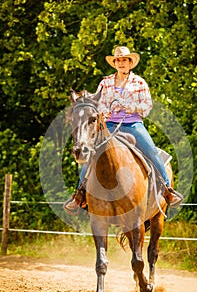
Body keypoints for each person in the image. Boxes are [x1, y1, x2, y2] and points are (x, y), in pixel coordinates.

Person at [64, 46, 183, 214]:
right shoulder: (105, 83)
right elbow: (98, 103)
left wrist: (128, 107)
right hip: (109, 125)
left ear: (130, 63)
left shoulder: (139, 82)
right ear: (114, 63)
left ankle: (167, 189)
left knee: (152, 151)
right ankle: (80, 193)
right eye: (118, 60)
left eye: (124, 60)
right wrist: (104, 110)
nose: (121, 63)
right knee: (91, 154)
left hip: (133, 125)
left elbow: (147, 106)